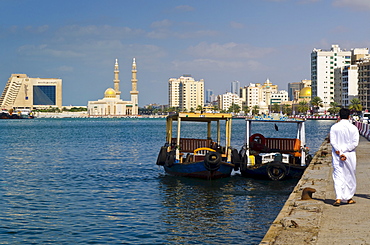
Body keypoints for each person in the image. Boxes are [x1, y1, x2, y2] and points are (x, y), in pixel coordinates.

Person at [330, 108, 359, 206]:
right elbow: (355, 143)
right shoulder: (353, 128)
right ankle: (349, 197)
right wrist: (345, 151)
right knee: (350, 175)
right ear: (349, 116)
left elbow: (333, 141)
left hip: (337, 154)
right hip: (349, 154)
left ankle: (338, 198)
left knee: (338, 175)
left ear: (339, 116)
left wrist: (340, 152)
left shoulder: (334, 127)